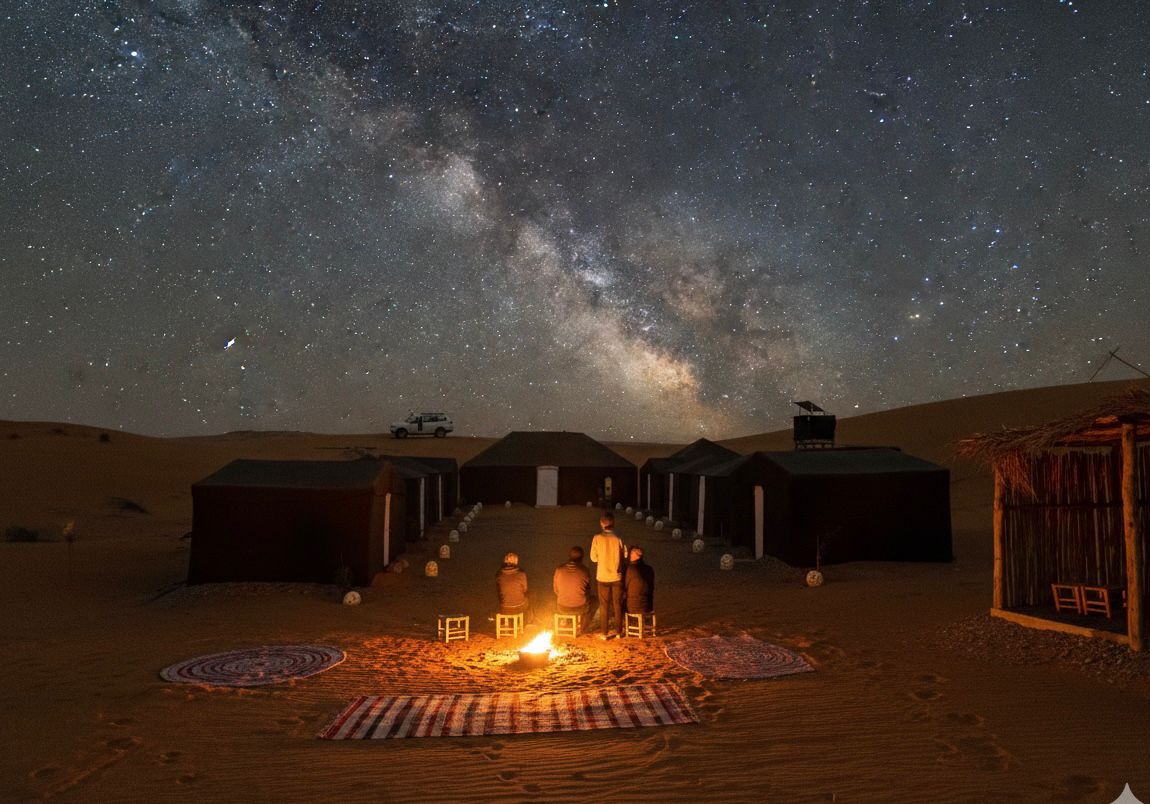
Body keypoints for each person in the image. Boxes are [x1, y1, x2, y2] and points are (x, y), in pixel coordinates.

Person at [589, 512, 625, 639]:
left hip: (602, 576)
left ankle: (604, 633)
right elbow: (625, 554)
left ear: (601, 523)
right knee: (617, 604)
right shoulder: (618, 537)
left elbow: (593, 558)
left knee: (604, 605)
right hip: (616, 576)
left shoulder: (597, 538)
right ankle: (618, 632)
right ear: (613, 522)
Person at [553, 546, 594, 633]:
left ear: (569, 556)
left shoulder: (559, 569)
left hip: (562, 606)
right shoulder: (585, 570)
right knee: (594, 601)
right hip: (579, 607)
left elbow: (556, 590)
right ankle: (583, 628)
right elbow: (588, 590)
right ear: (582, 558)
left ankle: (565, 622)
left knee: (561, 597)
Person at [622, 545, 655, 620]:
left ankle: (622, 626)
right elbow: (651, 587)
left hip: (634, 606)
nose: (629, 556)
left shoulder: (631, 569)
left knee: (619, 604)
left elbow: (626, 586)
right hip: (648, 605)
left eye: (631, 554)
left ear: (637, 556)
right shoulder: (650, 569)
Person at [496, 552, 529, 616]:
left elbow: (499, 591)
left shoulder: (499, 574)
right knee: (528, 602)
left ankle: (507, 624)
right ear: (516, 561)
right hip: (519, 606)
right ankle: (525, 623)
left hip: (504, 607)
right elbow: (525, 589)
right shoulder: (521, 574)